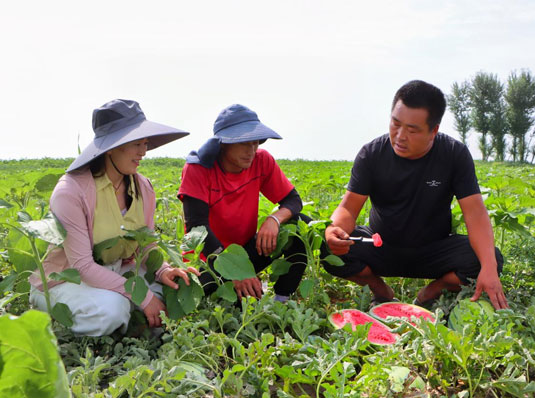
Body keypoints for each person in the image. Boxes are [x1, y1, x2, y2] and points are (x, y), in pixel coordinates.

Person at [324, 80, 508, 310]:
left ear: (434, 130)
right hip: (381, 245)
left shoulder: (453, 154)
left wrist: (489, 269)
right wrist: (334, 231)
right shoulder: (372, 154)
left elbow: (475, 214)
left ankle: (432, 291)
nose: (400, 136)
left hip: (434, 249)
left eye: (412, 130)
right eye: (395, 123)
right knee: (325, 246)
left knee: (491, 260)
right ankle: (378, 288)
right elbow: (348, 209)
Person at [29, 99, 200, 336]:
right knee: (113, 309)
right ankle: (59, 320)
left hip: (116, 269)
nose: (143, 151)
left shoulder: (143, 187)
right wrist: (142, 295)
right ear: (110, 147)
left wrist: (163, 270)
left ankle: (130, 318)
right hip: (69, 279)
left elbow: (146, 245)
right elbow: (82, 266)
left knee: (172, 287)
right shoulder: (72, 191)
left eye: (145, 142)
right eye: (136, 143)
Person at [178, 104, 307, 302]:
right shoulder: (198, 169)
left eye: (255, 143)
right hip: (209, 260)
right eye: (244, 143)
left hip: (244, 254)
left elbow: (293, 200)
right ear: (223, 143)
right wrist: (234, 270)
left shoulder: (261, 160)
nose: (252, 150)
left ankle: (281, 300)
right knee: (211, 298)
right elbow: (197, 228)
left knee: (297, 225)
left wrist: (274, 219)